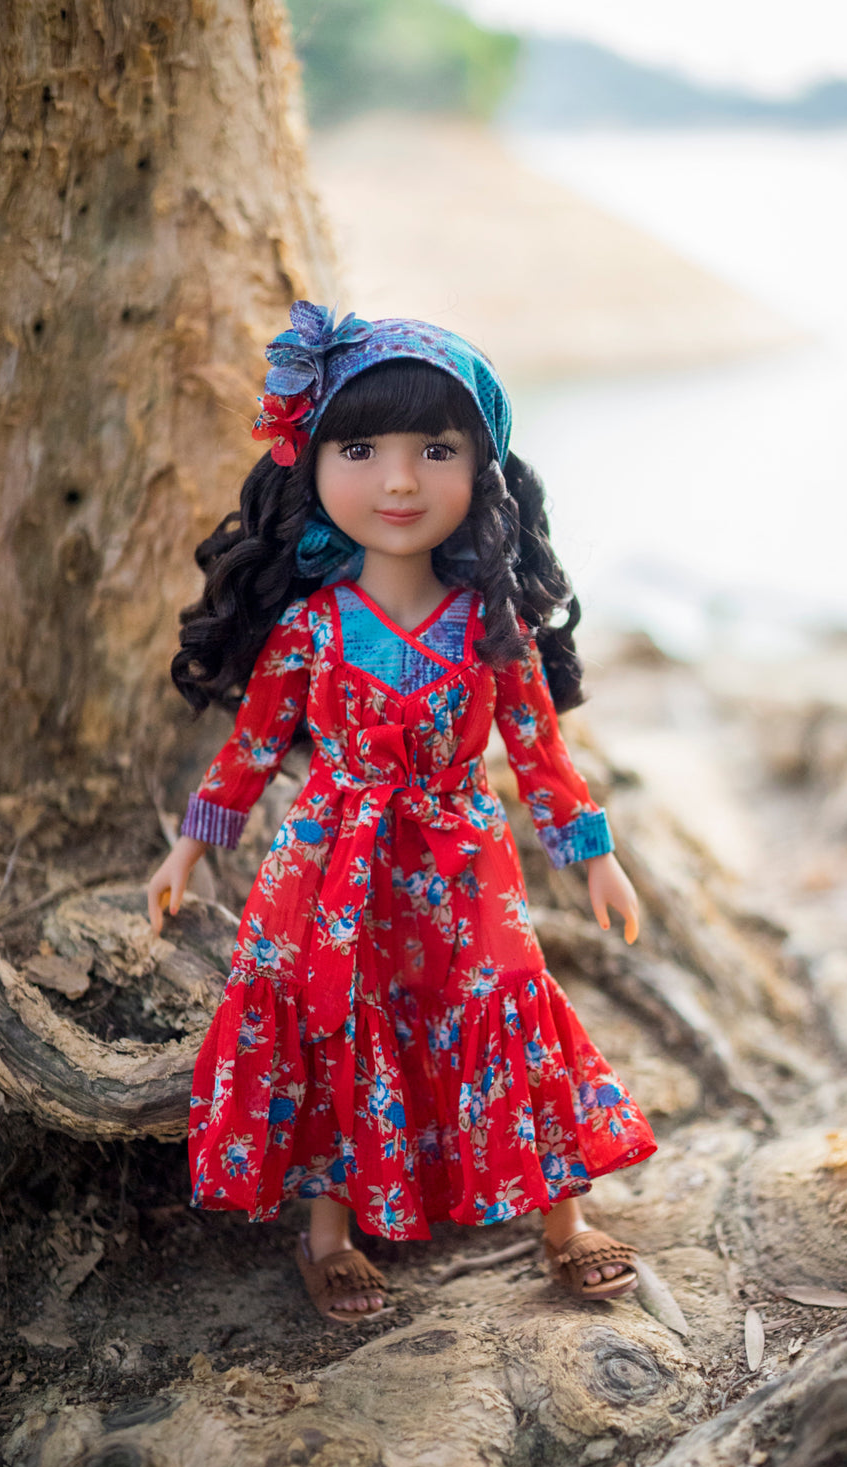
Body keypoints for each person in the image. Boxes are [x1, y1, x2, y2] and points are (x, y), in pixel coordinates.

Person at [147, 304, 657, 1324]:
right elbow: (251, 748)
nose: (398, 482)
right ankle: (329, 1232)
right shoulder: (310, 626)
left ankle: (562, 1217)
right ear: (311, 464)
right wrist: (189, 850)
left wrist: (592, 853)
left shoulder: (491, 627)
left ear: (481, 473)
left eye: (435, 450)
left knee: (504, 999)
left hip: (461, 854)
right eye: (361, 451)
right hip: (330, 861)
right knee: (339, 1014)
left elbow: (539, 751)